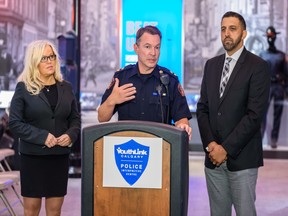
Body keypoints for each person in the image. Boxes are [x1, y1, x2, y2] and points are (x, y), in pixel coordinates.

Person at [196, 11, 270, 216]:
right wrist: (211, 145)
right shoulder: (211, 65)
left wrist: (225, 149)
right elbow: (203, 109)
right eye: (223, 29)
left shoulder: (258, 67)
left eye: (232, 29)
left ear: (244, 33)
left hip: (242, 159)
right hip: (213, 160)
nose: (226, 34)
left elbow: (254, 116)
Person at [8, 40, 81, 215]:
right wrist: (42, 137)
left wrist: (71, 135)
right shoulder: (23, 87)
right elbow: (15, 123)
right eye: (44, 58)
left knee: (55, 210)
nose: (50, 61)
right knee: (32, 210)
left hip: (59, 157)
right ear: (34, 62)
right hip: (33, 157)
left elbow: (75, 119)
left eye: (52, 57)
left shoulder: (66, 88)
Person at [98, 25, 192, 138]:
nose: (153, 53)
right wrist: (111, 101)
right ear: (136, 48)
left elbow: (181, 119)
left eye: (157, 47)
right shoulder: (121, 78)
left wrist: (183, 126)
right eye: (147, 47)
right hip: (127, 150)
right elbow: (102, 118)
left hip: (161, 149)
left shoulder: (169, 81)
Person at [259, 26, 288, 148]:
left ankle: (274, 139)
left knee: (277, 114)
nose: (270, 39)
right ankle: (259, 138)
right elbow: (258, 74)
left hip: (278, 87)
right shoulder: (262, 54)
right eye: (268, 36)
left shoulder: (282, 55)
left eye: (272, 36)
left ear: (275, 36)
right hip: (266, 86)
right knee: (262, 114)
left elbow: (286, 74)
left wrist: (286, 89)